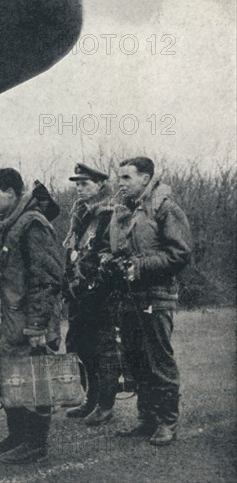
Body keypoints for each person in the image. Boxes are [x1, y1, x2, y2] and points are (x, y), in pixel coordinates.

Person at [0, 169, 64, 465]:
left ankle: (35, 443)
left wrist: (37, 326)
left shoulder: (32, 225)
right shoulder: (7, 224)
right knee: (10, 376)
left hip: (30, 321)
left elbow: (46, 278)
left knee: (33, 380)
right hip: (12, 319)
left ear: (13, 194)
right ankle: (17, 436)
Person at [110, 157, 191, 446]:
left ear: (145, 178)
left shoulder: (165, 208)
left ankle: (167, 421)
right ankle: (147, 418)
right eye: (119, 178)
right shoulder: (126, 211)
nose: (120, 183)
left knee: (159, 361)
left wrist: (141, 266)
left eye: (126, 178)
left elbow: (180, 254)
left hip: (157, 295)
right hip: (130, 297)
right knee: (136, 359)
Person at [63, 163, 120, 425]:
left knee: (104, 350)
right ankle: (91, 398)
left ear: (99, 185)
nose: (79, 189)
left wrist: (96, 279)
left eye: (84, 184)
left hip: (101, 294)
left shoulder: (109, 214)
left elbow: (110, 252)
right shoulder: (81, 214)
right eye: (77, 184)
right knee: (79, 346)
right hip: (79, 294)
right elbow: (74, 250)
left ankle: (105, 405)